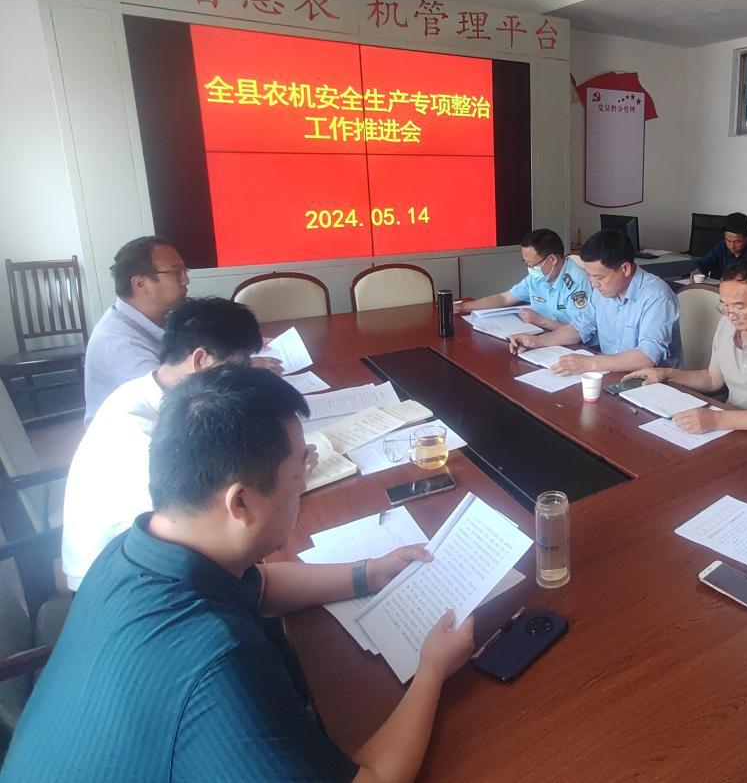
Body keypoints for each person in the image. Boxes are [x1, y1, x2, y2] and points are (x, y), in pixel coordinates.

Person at [2, 365, 474, 783]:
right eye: (299, 474)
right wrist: (432, 669)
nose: (303, 486)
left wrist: (368, 573)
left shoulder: (132, 548)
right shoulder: (220, 661)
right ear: (240, 502)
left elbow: (260, 587)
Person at [62, 296, 265, 590]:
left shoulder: (159, 393)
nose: (245, 375)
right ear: (200, 360)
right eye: (240, 364)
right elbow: (189, 533)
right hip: (116, 582)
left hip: (149, 557)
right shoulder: (138, 434)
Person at [625, 260, 747, 433]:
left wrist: (717, 420)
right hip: (732, 421)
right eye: (725, 306)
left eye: (739, 306)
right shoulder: (727, 322)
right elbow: (713, 379)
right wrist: (666, 374)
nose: (731, 315)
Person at [508, 230, 682, 374]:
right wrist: (537, 341)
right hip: (609, 373)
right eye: (590, 275)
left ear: (625, 269)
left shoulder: (657, 297)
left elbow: (647, 357)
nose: (593, 284)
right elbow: (579, 327)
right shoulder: (602, 290)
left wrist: (589, 364)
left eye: (599, 277)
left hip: (653, 384)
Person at [83, 236, 189, 423]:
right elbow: (175, 402)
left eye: (185, 271)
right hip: (132, 434)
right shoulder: (120, 344)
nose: (186, 280)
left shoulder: (160, 318)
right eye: (176, 272)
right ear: (140, 283)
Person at [454, 228, 591, 330]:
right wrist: (462, 307)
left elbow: (579, 332)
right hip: (544, 336)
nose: (530, 269)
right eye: (526, 263)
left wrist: (540, 321)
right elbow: (505, 298)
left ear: (552, 260)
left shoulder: (578, 282)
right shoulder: (538, 277)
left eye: (532, 264)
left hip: (577, 348)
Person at [693, 211, 747, 279]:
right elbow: (704, 262)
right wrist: (699, 270)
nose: (731, 246)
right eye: (728, 240)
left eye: (737, 242)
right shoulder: (722, 245)